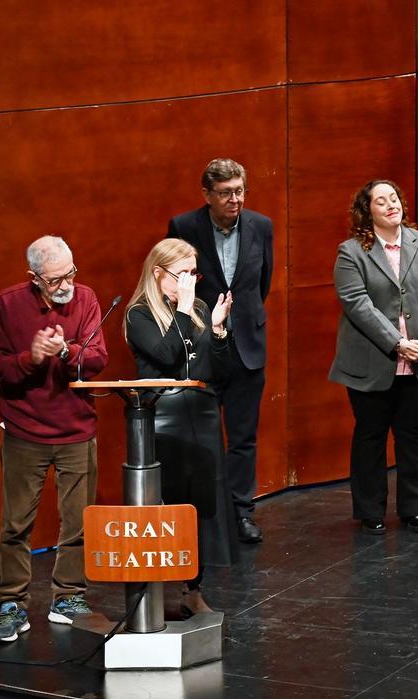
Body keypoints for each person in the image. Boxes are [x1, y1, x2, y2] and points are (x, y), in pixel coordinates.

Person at [0, 236, 107, 642]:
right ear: (33, 278)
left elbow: (98, 358)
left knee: (78, 522)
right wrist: (31, 358)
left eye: (70, 273)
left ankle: (68, 596)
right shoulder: (8, 304)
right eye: (54, 280)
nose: (65, 284)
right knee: (16, 524)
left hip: (76, 430)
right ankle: (12, 604)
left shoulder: (86, 298)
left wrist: (67, 353)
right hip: (25, 432)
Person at [329, 179, 418, 534]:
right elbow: (357, 305)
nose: (390, 204)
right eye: (380, 201)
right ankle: (370, 510)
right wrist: (398, 342)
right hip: (372, 360)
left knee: (412, 434)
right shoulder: (351, 252)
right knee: (371, 434)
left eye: (394, 198)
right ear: (367, 211)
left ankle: (414, 509)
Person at [124, 239, 234, 616]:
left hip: (201, 416)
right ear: (158, 274)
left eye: (193, 273)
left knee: (199, 505)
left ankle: (193, 589)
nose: (189, 281)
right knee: (167, 505)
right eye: (181, 274)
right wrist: (183, 312)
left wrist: (218, 332)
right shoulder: (139, 315)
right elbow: (168, 355)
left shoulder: (200, 308)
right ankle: (156, 591)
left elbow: (218, 370)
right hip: (164, 419)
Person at [167, 158, 273, 545]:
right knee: (201, 438)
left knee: (244, 438)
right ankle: (205, 517)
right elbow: (175, 283)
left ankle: (242, 513)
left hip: (247, 345)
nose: (235, 200)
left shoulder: (261, 226)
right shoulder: (185, 227)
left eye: (240, 191)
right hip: (202, 346)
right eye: (226, 193)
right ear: (207, 195)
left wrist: (238, 322)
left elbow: (262, 284)